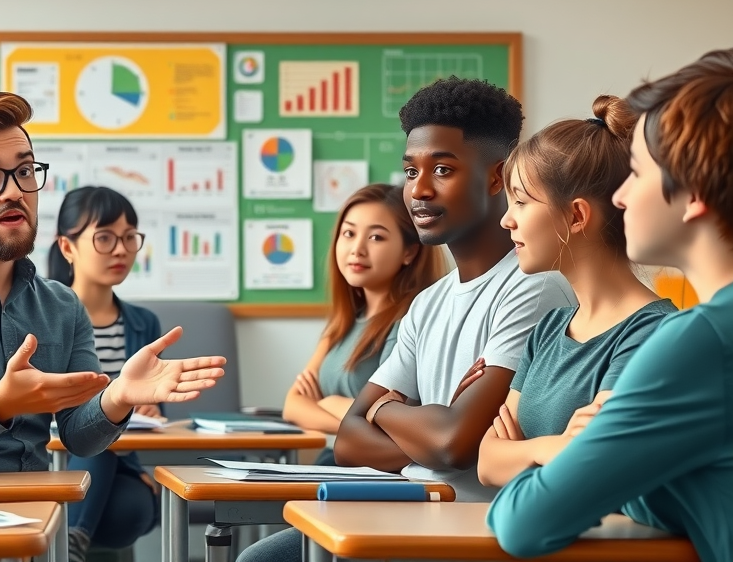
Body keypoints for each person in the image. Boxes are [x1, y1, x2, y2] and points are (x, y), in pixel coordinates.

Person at [238, 77, 576, 562]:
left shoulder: (534, 287)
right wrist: (422, 427)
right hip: (407, 504)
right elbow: (352, 440)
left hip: (467, 522)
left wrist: (383, 411)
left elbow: (455, 445)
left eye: (442, 169)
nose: (416, 190)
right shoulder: (429, 302)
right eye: (409, 170)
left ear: (496, 177)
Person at [0, 92, 225, 476]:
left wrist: (118, 395)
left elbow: (79, 437)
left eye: (25, 171)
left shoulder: (61, 304)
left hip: (39, 513)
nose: (14, 190)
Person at [488, 49, 733, 562]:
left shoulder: (697, 339)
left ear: (690, 194)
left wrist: (595, 466)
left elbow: (522, 522)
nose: (619, 199)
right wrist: (648, 483)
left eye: (637, 173)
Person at [477, 95, 676, 488]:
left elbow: (594, 467)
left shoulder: (652, 335)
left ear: (576, 215)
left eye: (520, 202)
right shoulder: (549, 329)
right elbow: (486, 463)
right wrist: (548, 449)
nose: (506, 220)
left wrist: (521, 452)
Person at [281, 183, 444, 465]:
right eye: (349, 233)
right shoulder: (342, 322)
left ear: (409, 252)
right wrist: (354, 418)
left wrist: (325, 403)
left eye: (376, 238)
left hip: (376, 471)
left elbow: (394, 421)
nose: (357, 249)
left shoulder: (408, 323)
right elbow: (292, 406)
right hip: (333, 459)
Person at [47, 186, 163, 561]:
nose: (121, 249)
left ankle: (71, 544)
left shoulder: (144, 323)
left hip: (124, 462)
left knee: (130, 508)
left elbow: (157, 410)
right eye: (105, 237)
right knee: (92, 430)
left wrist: (153, 413)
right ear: (67, 247)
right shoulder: (41, 317)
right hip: (55, 458)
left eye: (130, 237)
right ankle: (73, 544)